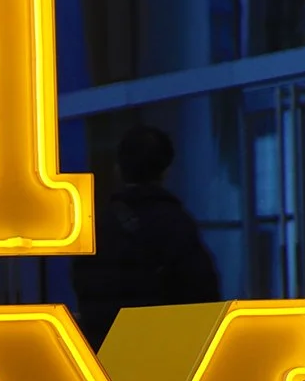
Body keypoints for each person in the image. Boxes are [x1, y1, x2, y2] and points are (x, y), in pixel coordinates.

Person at [71, 124, 222, 350]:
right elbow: (203, 291)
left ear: (118, 169)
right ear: (165, 170)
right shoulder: (176, 224)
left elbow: (83, 286)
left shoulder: (97, 225)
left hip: (106, 351)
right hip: (160, 350)